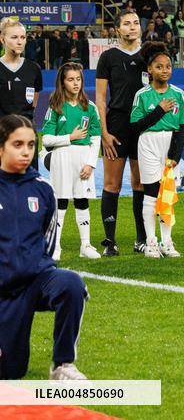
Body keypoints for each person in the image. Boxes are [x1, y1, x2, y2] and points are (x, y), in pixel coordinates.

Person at [0, 114, 89, 381]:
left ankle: (63, 365)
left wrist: (34, 269)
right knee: (10, 373)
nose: (26, 152)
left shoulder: (42, 189)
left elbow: (47, 243)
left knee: (71, 284)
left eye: (30, 144)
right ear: (1, 146)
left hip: (32, 284)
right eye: (18, 145)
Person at [130, 42, 184, 259]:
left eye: (168, 67)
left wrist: (175, 155)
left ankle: (167, 242)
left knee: (167, 193)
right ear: (150, 71)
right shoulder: (142, 95)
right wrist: (159, 110)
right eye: (159, 67)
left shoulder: (179, 95)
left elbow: (183, 128)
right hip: (148, 143)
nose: (164, 70)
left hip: (169, 145)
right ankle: (151, 242)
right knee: (151, 193)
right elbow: (135, 126)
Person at [95, 11, 147, 256]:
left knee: (140, 183)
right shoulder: (108, 57)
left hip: (143, 126)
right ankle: (110, 242)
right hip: (116, 125)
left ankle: (142, 239)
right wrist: (104, 132)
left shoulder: (148, 55)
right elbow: (101, 97)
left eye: (136, 23)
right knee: (112, 183)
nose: (132, 27)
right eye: (127, 23)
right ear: (117, 29)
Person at [40, 62, 103, 260]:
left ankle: (85, 245)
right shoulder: (56, 107)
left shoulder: (90, 108)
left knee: (82, 200)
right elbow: (47, 139)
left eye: (78, 79)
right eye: (70, 79)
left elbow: (95, 139)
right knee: (61, 201)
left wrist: (91, 164)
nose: (75, 83)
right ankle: (55, 247)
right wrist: (70, 137)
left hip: (83, 159)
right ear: (62, 82)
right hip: (62, 157)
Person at [0, 18, 44, 164]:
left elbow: (33, 101)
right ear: (2, 39)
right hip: (3, 137)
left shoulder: (34, 69)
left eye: (23, 37)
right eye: (14, 37)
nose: (20, 41)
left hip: (27, 136)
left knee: (28, 184)